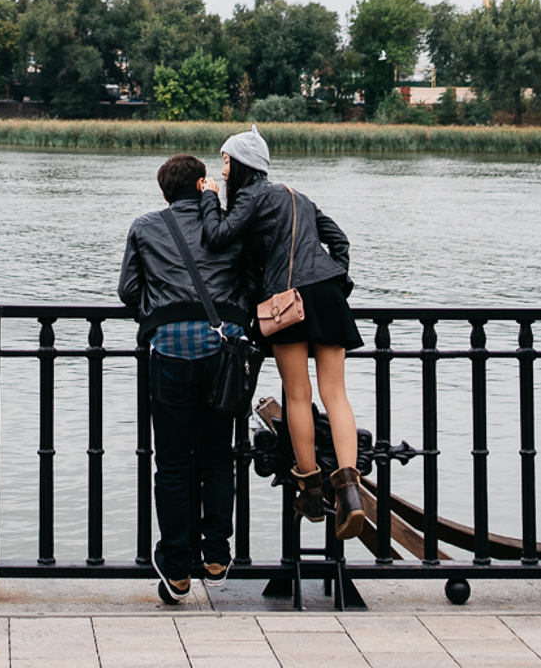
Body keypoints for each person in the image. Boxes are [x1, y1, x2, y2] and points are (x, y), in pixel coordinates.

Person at [197, 126, 366, 540]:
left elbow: (217, 237)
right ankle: (350, 492)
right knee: (336, 395)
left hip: (286, 302)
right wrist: (334, 279)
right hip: (327, 295)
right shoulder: (298, 196)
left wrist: (209, 198)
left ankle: (309, 488)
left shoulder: (252, 196)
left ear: (242, 164)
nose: (223, 167)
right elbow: (338, 239)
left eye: (225, 160)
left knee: (298, 395)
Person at [117, 152, 253, 605]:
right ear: (202, 186)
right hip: (222, 353)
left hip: (170, 354)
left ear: (163, 193)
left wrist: (162, 318)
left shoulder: (144, 226)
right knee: (217, 456)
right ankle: (216, 555)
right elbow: (251, 282)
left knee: (172, 463)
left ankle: (176, 569)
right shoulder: (228, 226)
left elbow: (129, 291)